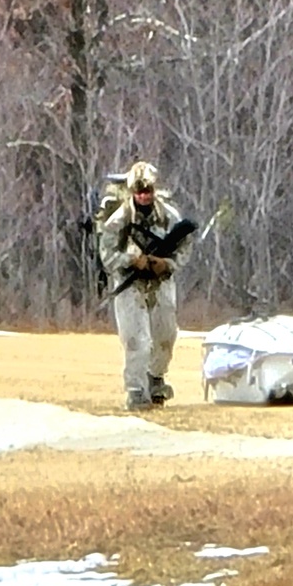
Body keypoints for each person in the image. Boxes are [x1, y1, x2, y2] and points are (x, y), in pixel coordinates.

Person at [98, 161, 194, 411]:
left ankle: (156, 379)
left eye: (147, 191)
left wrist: (167, 263)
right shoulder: (119, 221)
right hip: (130, 284)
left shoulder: (170, 217)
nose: (144, 196)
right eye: (139, 192)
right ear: (132, 192)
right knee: (136, 339)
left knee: (166, 336)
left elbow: (185, 246)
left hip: (160, 282)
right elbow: (107, 256)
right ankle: (136, 390)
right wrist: (132, 260)